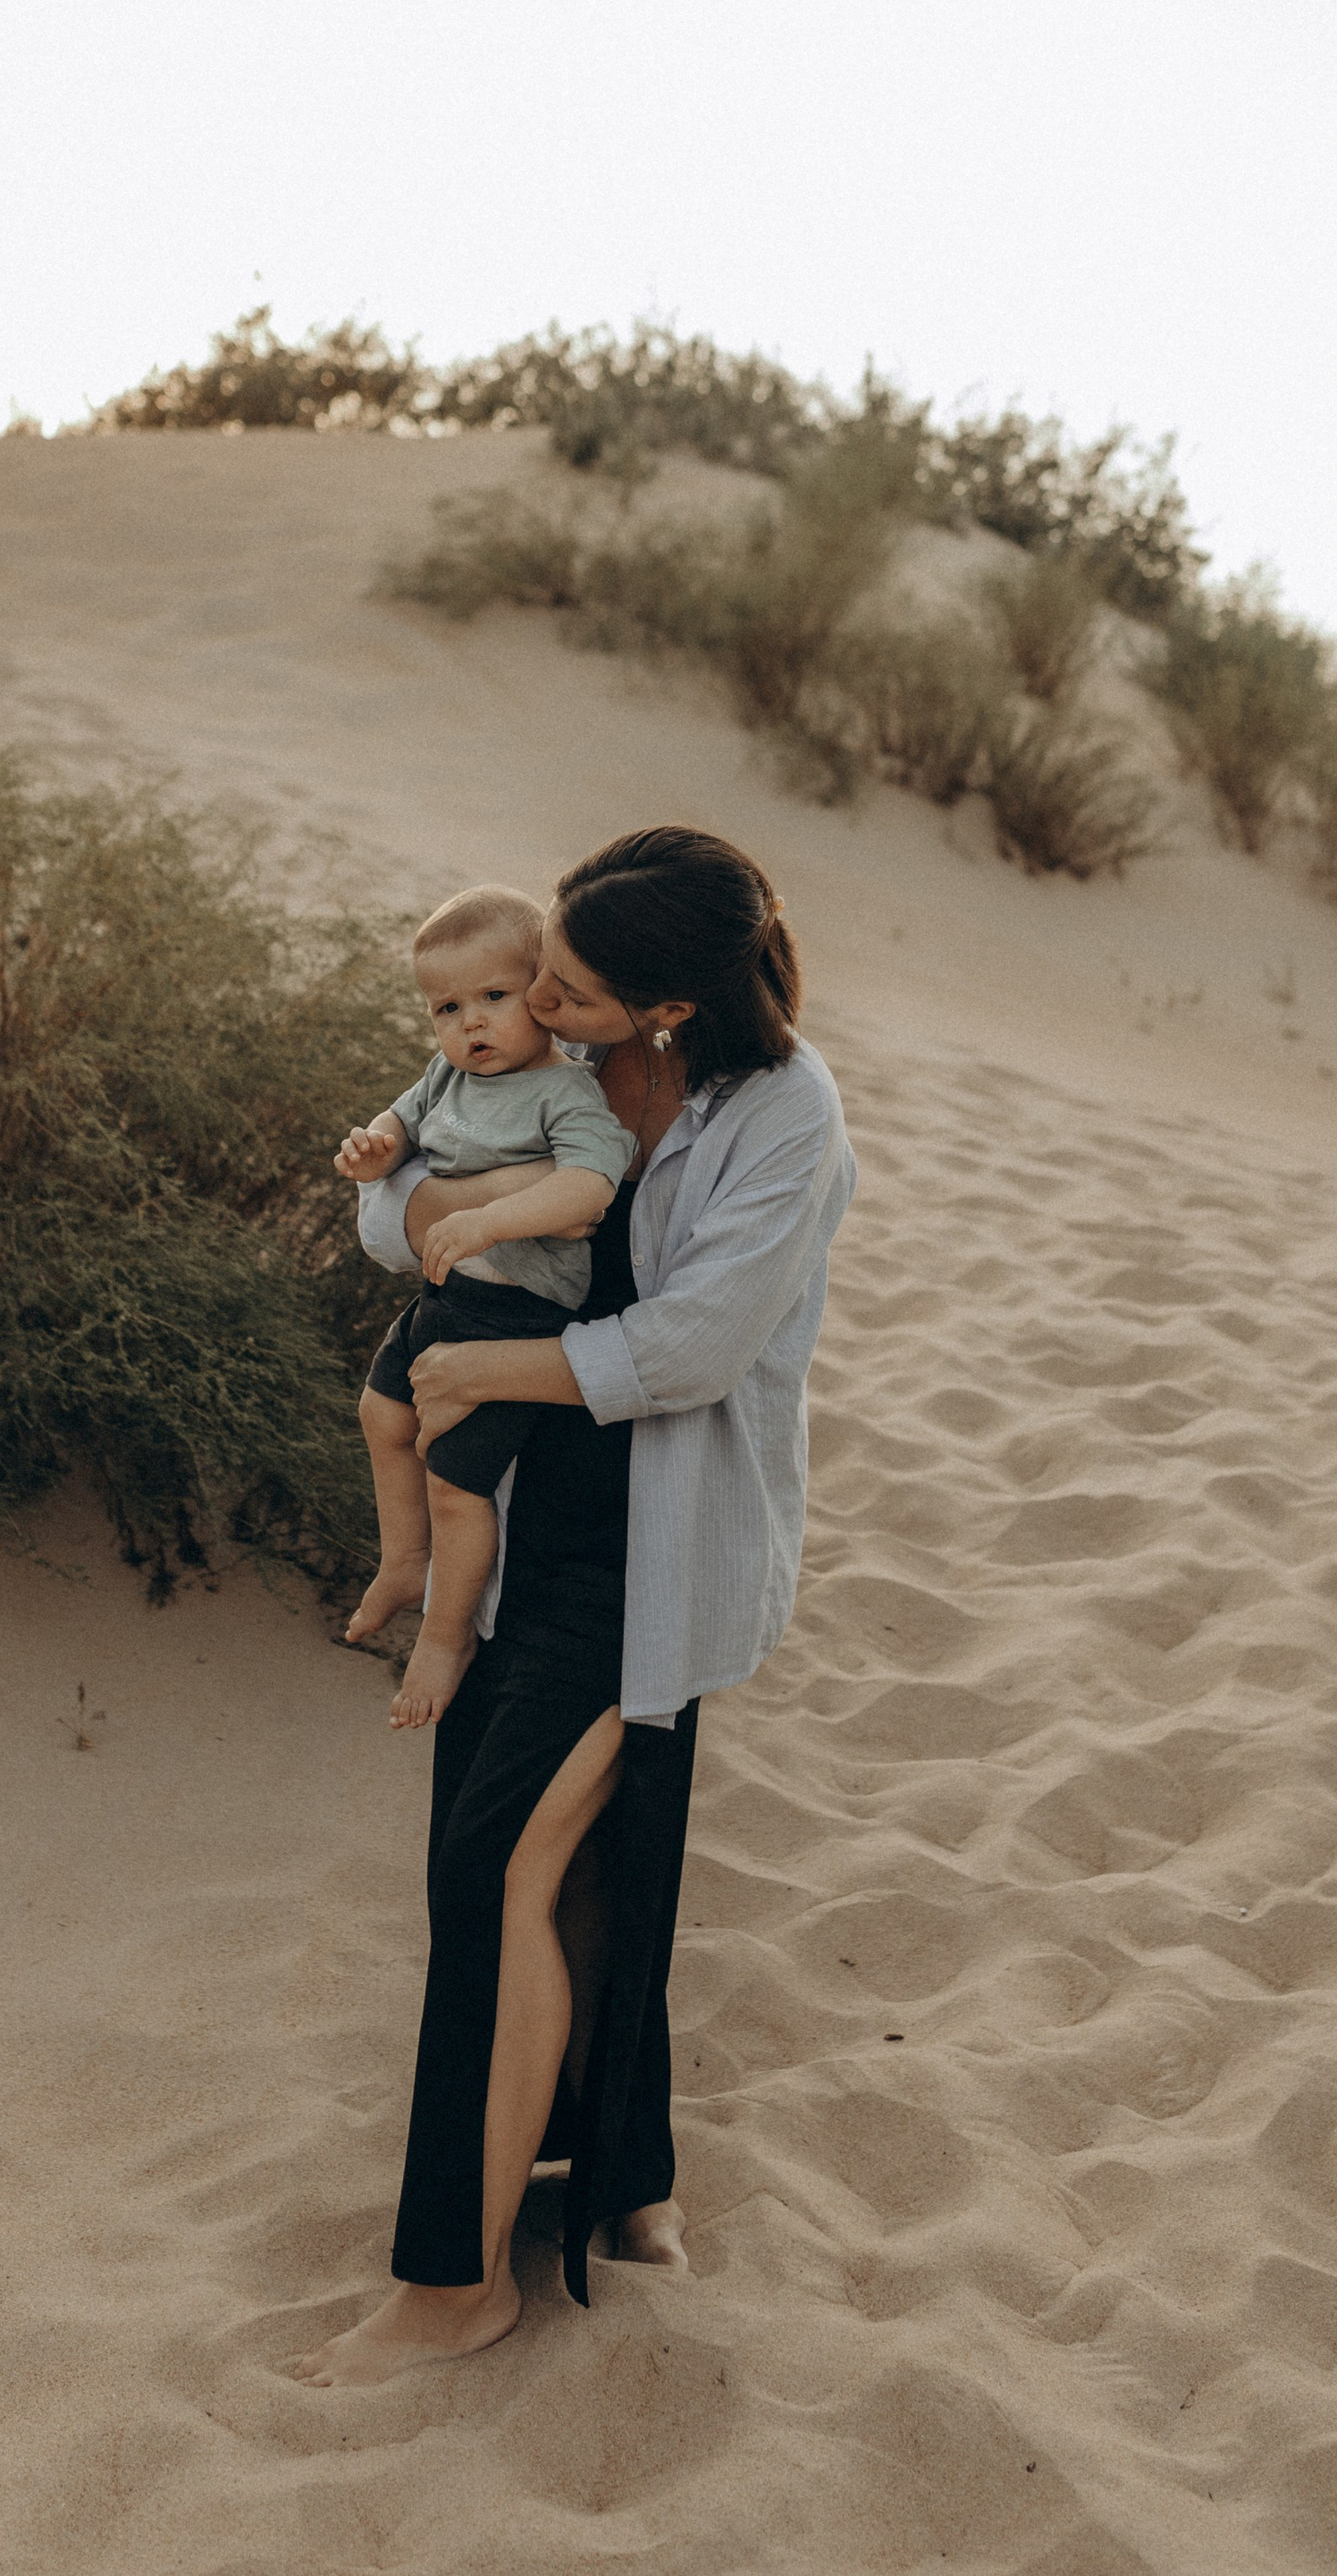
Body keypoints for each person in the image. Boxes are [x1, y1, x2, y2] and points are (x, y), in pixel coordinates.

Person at [292, 825, 856, 2389]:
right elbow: (395, 1212)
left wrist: (486, 1358)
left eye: (573, 990)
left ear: (669, 1006)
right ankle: (620, 2178)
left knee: (502, 1868)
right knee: (577, 1858)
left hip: (651, 1544)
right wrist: (439, 1215)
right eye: (539, 972)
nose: (537, 1000)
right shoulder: (550, 1057)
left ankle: (454, 2283)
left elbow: (697, 1347)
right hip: (518, 1515)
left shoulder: (786, 1117)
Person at [335, 883, 632, 1728]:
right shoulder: (448, 1076)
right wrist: (375, 1149)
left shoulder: (566, 1091)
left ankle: (445, 1635)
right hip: (450, 1294)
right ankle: (403, 1562)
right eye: (447, 1008)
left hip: (520, 1315)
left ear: (543, 991)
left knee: (457, 1485)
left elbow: (590, 1184)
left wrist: (489, 1218)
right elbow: (401, 1121)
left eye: (494, 997)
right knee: (381, 1415)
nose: (471, 1024)